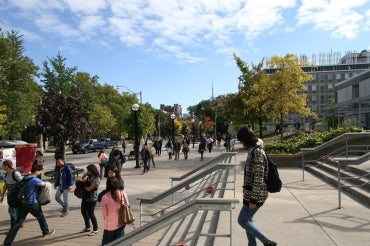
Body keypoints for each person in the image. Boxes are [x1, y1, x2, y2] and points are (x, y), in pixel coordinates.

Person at [236, 126, 277, 246]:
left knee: (242, 220)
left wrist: (253, 199)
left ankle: (267, 241)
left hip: (256, 195)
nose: (241, 143)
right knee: (248, 221)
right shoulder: (252, 150)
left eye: (241, 140)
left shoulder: (258, 152)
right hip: (250, 193)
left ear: (246, 139)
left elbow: (258, 178)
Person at [3, 164, 55, 246]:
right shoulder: (34, 179)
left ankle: (7, 242)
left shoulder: (25, 178)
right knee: (40, 216)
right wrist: (47, 183)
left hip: (22, 203)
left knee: (18, 223)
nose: (40, 173)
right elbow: (44, 185)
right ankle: (46, 231)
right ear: (37, 171)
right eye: (40, 171)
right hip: (32, 203)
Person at [101, 177, 129, 245]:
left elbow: (105, 214)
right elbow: (127, 205)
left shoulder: (105, 197)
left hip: (110, 224)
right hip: (122, 221)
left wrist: (107, 219)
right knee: (120, 241)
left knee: (106, 243)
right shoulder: (122, 193)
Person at [0, 160, 23, 228]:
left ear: (7, 166)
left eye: (3, 166)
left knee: (11, 210)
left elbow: (22, 183)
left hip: (16, 195)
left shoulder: (16, 173)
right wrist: (2, 196)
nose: (2, 167)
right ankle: (19, 223)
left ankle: (14, 227)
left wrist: (22, 194)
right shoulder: (7, 174)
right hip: (10, 195)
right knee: (16, 209)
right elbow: (5, 185)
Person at [79, 164, 100, 236]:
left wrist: (81, 184)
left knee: (91, 213)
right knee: (83, 211)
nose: (87, 172)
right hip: (85, 197)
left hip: (92, 198)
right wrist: (83, 177)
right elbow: (81, 180)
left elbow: (89, 189)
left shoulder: (96, 179)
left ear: (92, 171)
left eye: (89, 170)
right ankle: (87, 227)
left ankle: (95, 229)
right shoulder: (89, 176)